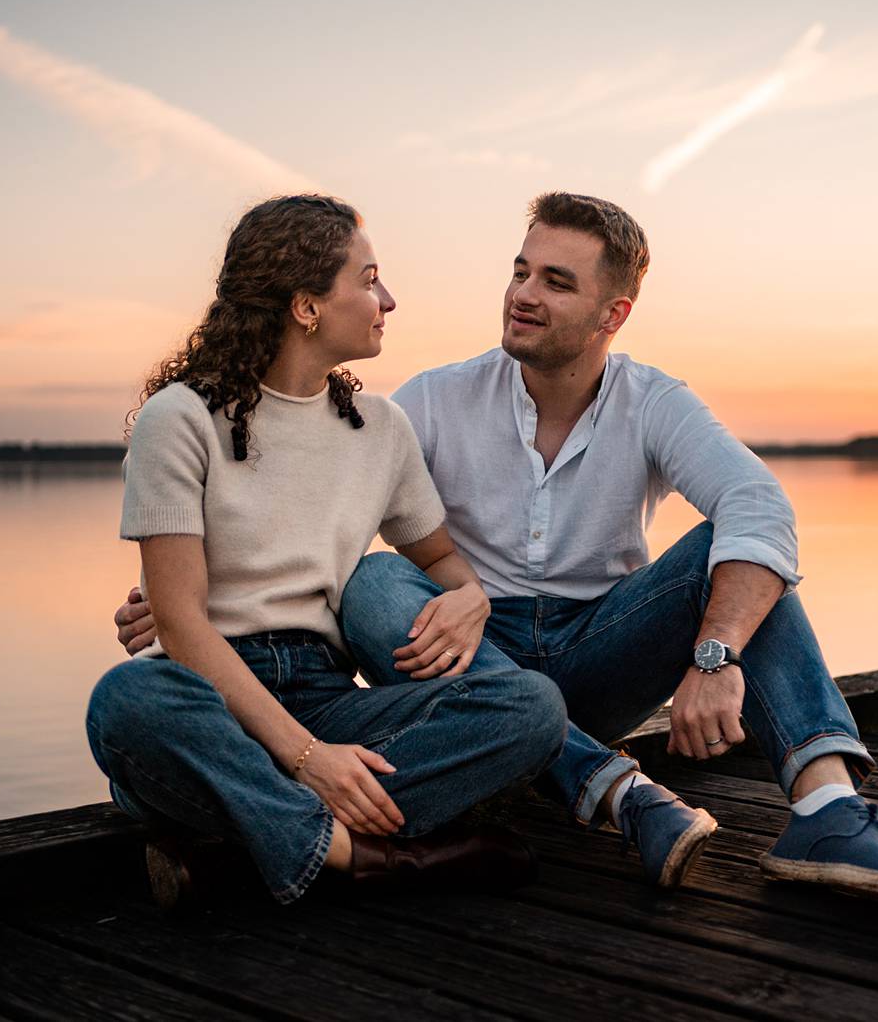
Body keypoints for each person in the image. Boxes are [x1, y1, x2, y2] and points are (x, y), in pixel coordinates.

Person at [118, 192, 878, 911]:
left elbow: (759, 505)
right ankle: (568, 800)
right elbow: (308, 510)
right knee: (357, 590)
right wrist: (188, 596)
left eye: (556, 281)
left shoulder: (644, 403)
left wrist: (717, 653)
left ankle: (826, 813)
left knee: (740, 558)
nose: (522, 294)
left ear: (612, 314)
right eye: (520, 271)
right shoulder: (430, 403)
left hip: (592, 656)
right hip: (468, 658)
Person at [86, 194, 569, 907]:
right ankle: (378, 858)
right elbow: (181, 625)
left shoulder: (380, 427)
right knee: (127, 703)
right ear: (306, 306)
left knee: (532, 707)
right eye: (369, 279)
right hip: (212, 696)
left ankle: (264, 843)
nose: (389, 299)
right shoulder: (179, 419)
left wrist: (468, 596)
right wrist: (308, 760)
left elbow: (438, 558)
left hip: (327, 694)